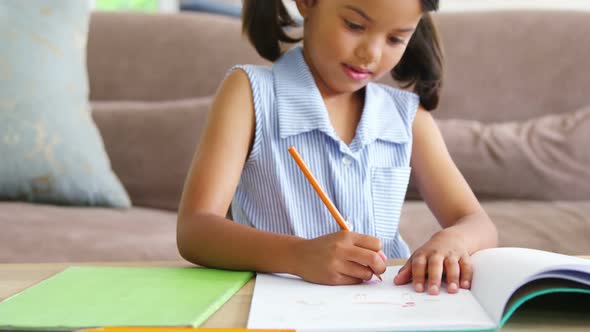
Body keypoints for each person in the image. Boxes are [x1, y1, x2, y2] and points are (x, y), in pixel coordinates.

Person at [177, 0, 498, 295]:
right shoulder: (250, 92)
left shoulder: (407, 115)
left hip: (385, 308)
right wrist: (298, 256)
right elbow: (195, 230)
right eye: (355, 26)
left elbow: (477, 222)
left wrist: (453, 240)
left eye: (395, 39)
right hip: (278, 305)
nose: (371, 54)